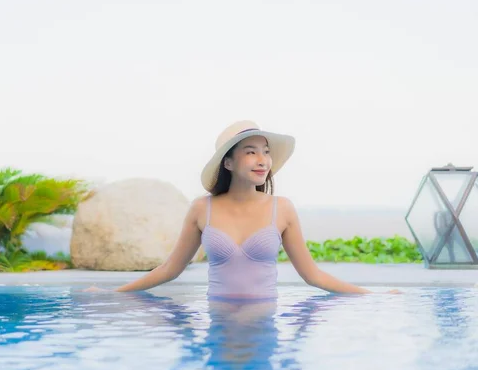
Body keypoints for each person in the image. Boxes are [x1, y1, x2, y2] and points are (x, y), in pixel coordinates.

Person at [86, 120, 399, 296]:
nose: (262, 159)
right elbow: (170, 270)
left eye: (265, 152)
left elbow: (313, 275)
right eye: (251, 152)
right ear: (229, 162)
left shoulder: (282, 209)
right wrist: (114, 294)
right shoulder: (201, 209)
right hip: (218, 326)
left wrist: (372, 297)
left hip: (265, 325)